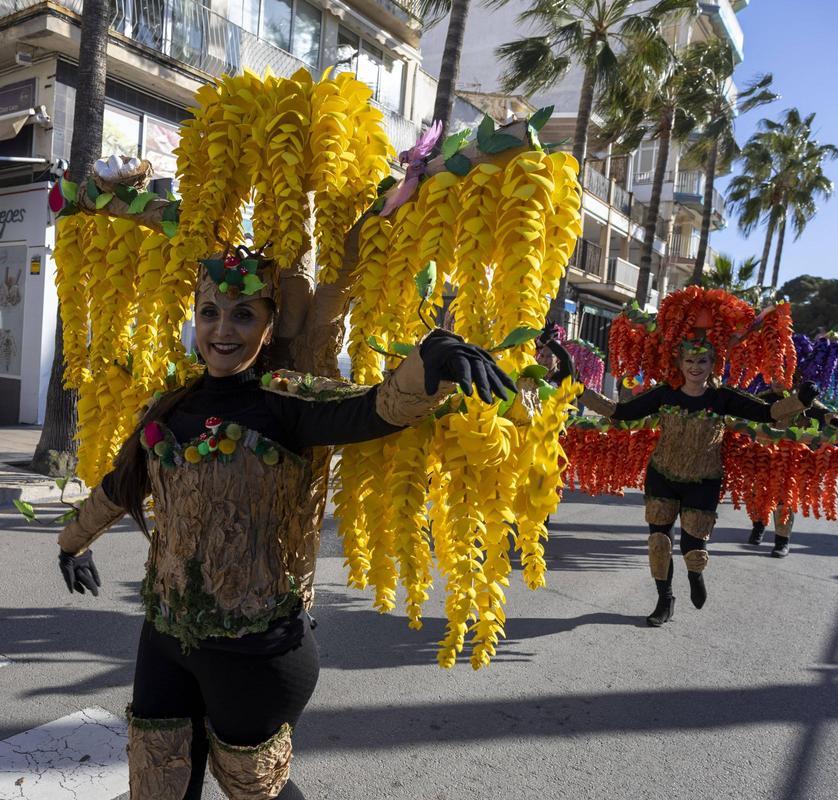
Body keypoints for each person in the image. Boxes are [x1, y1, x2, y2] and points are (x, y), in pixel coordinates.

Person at [53, 247, 514, 800]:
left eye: (244, 314)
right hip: (167, 636)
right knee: (155, 781)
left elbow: (376, 408)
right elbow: (120, 485)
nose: (223, 329)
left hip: (257, 649)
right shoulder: (169, 406)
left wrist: (428, 362)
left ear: (269, 328)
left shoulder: (289, 402)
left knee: (253, 789)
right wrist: (72, 543)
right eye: (209, 312)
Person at [579, 339, 816, 627]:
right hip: (662, 476)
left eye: (702, 361)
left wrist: (800, 401)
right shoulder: (665, 394)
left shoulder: (723, 397)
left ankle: (695, 574)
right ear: (680, 364)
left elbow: (766, 413)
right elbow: (621, 412)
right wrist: (580, 391)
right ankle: (664, 600)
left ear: (712, 364)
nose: (695, 367)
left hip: (703, 481)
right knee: (658, 542)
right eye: (689, 361)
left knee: (693, 548)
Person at [747, 387, 838, 557]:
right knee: (758, 494)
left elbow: (829, 415)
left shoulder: (807, 401)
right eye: (775, 374)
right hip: (763, 454)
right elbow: (744, 413)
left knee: (784, 499)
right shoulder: (762, 397)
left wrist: (835, 422)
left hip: (790, 458)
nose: (778, 379)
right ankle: (758, 527)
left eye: (784, 373)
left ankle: (781, 541)